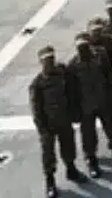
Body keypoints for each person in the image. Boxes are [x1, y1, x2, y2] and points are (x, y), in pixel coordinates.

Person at [31, 45, 86, 198]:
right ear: (41, 62)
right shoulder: (37, 84)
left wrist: (74, 113)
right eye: (46, 60)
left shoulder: (62, 73)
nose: (50, 62)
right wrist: (42, 128)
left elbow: (71, 90)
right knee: (48, 154)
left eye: (52, 59)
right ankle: (50, 181)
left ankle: (71, 170)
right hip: (48, 125)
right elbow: (36, 109)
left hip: (64, 119)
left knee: (68, 146)